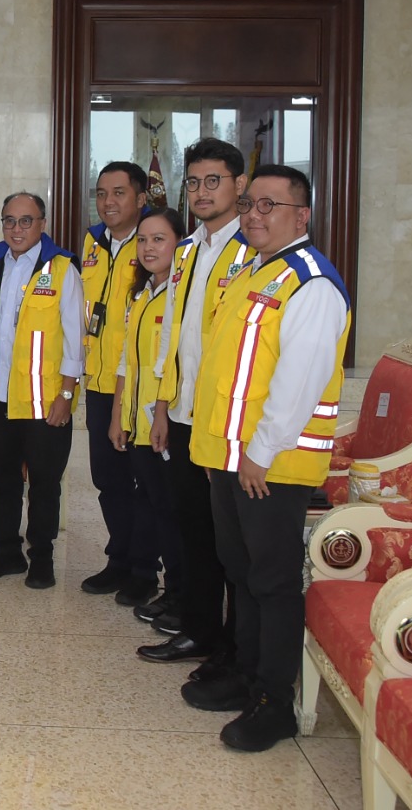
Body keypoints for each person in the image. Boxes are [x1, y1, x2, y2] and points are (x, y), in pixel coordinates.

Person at [182, 164, 350, 754]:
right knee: (241, 570)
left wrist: (259, 453)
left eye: (268, 206)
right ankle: (247, 674)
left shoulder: (311, 283)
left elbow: (298, 383)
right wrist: (218, 453)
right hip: (233, 459)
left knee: (273, 581)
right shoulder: (259, 270)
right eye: (250, 204)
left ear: (301, 216)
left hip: (272, 466)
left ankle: (275, 703)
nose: (254, 215)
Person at [146, 138, 253, 672]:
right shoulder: (187, 251)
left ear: (240, 184)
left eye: (214, 181)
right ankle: (199, 631)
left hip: (226, 421)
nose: (202, 192)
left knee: (230, 542)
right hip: (185, 413)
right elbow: (173, 335)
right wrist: (162, 406)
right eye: (194, 182)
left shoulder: (252, 252)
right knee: (192, 527)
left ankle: (236, 647)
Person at [0, 192, 84, 589]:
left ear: (42, 224)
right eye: (9, 221)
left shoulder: (63, 268)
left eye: (26, 221)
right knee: (2, 480)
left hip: (43, 401)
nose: (17, 229)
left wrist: (66, 396)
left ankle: (42, 558)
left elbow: (75, 340)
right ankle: (6, 552)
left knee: (45, 484)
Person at [110, 207, 192, 662]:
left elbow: (171, 363)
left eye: (159, 239)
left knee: (174, 510)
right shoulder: (141, 293)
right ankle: (169, 587)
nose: (148, 248)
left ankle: (183, 595)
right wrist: (118, 414)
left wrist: (160, 413)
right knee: (155, 505)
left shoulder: (182, 294)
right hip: (139, 422)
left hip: (166, 421)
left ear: (180, 244)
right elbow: (128, 360)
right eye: (143, 240)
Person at [79, 160, 157, 604]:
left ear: (141, 198)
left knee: (145, 482)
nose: (108, 202)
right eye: (102, 193)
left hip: (141, 388)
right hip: (100, 382)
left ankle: (145, 570)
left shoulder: (155, 243)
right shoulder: (93, 242)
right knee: (108, 480)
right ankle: (119, 559)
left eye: (119, 193)